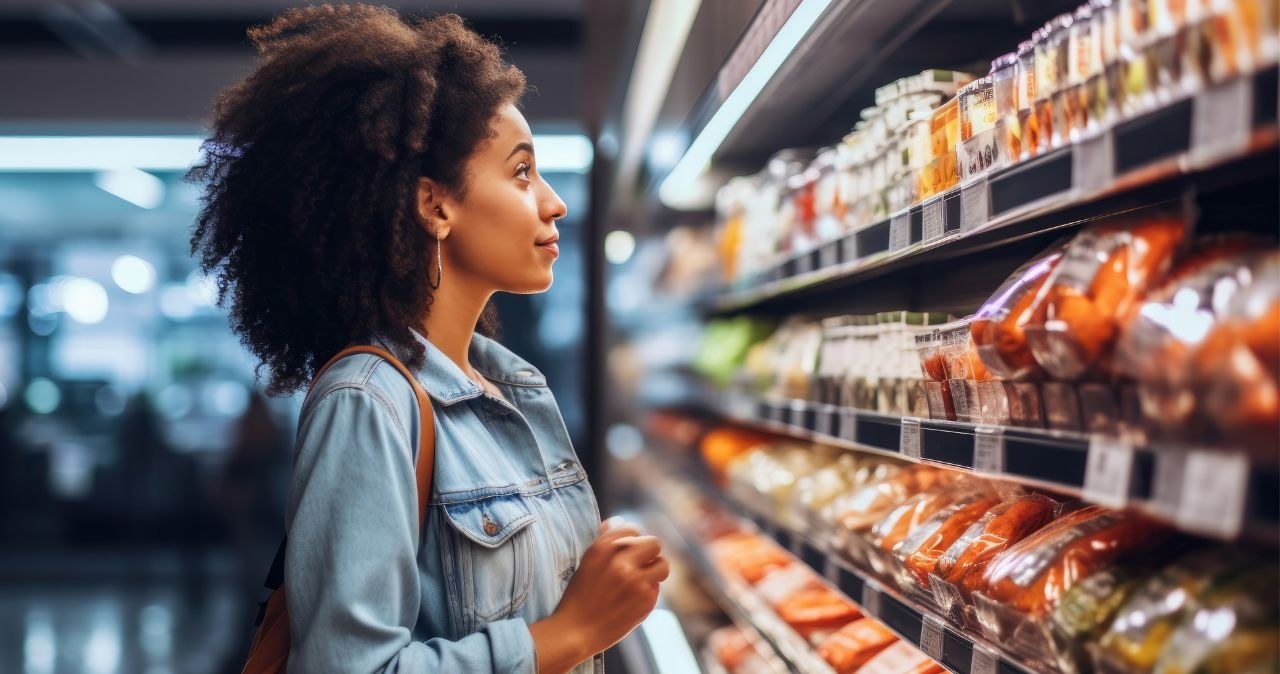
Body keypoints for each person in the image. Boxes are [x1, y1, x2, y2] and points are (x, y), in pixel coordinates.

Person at [187, 6, 668, 673]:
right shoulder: (368, 402)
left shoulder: (513, 389)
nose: (553, 202)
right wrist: (571, 632)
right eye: (522, 172)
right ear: (435, 205)